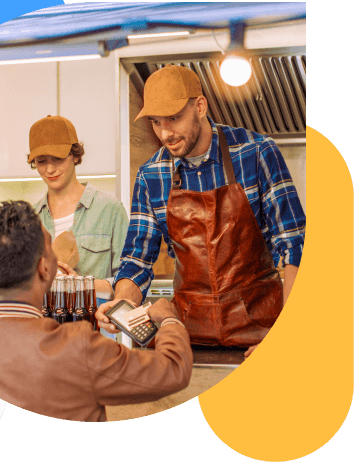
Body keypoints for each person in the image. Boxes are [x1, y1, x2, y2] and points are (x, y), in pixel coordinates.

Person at [96, 65, 306, 358]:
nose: (165, 133)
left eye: (173, 118)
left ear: (200, 106)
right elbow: (137, 260)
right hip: (186, 337)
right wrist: (122, 305)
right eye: (156, 122)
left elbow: (296, 245)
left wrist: (289, 332)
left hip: (260, 334)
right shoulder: (151, 175)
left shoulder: (256, 153)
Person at [0, 200, 193, 422]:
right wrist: (169, 320)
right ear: (44, 269)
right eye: (50, 248)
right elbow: (173, 370)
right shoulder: (79, 348)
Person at [27, 115, 129, 307]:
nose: (49, 169)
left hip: (93, 330)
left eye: (57, 158)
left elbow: (127, 281)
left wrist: (82, 285)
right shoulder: (30, 219)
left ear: (75, 155)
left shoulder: (110, 210)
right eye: (41, 161)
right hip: (42, 330)